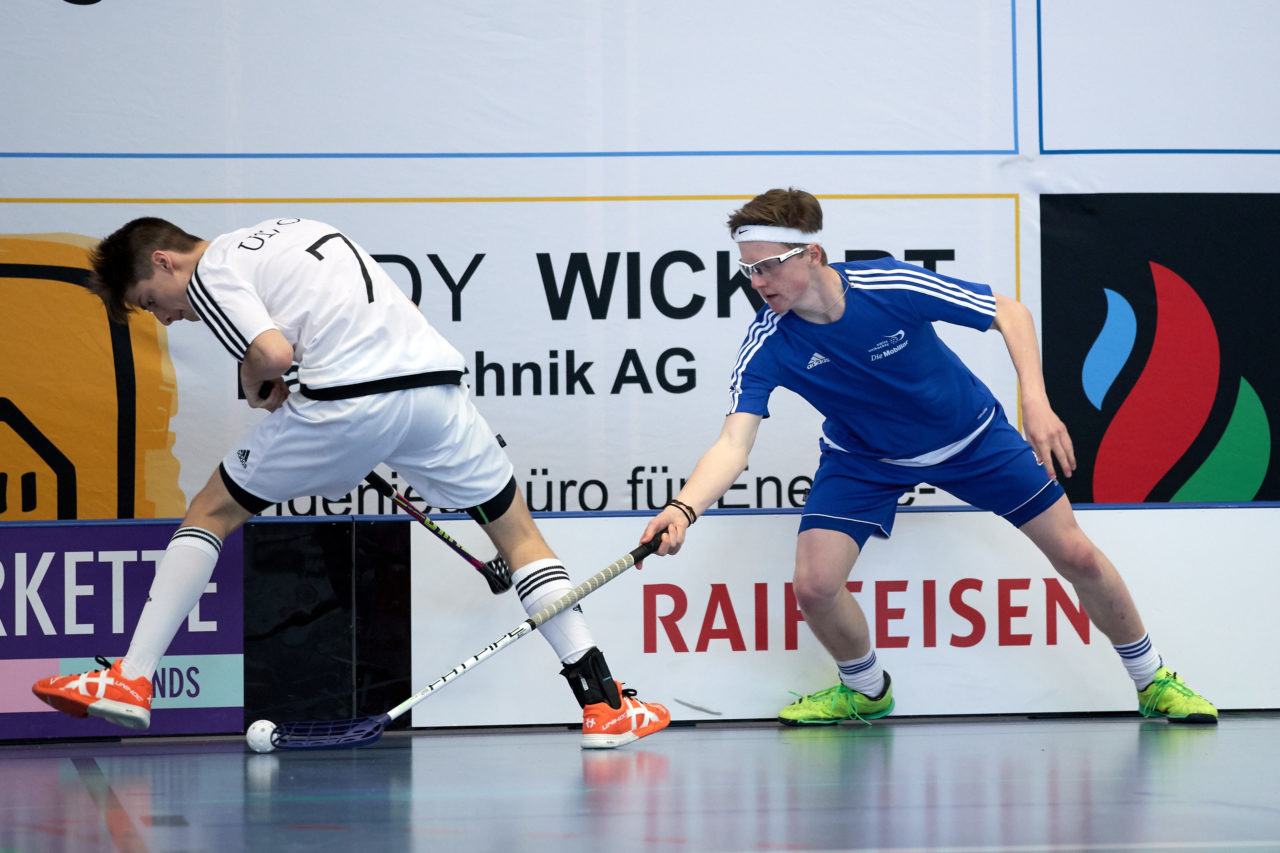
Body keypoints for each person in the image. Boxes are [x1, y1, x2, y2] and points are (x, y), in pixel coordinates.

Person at [32, 216, 669, 749]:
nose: (166, 319)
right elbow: (399, 310)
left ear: (166, 262)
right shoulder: (293, 231)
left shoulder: (213, 268)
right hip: (435, 393)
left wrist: (255, 384)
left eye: (150, 302)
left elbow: (273, 356)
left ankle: (132, 678)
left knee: (210, 511)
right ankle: (606, 705)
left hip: (350, 401)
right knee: (519, 535)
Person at [640, 188, 1216, 726]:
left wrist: (1035, 402)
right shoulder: (768, 342)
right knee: (814, 586)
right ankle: (866, 691)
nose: (757, 281)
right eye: (748, 269)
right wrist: (684, 508)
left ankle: (1151, 680)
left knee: (1078, 556)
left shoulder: (890, 284)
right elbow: (733, 444)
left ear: (812, 254)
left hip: (973, 440)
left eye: (768, 265)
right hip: (863, 459)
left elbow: (1009, 313)